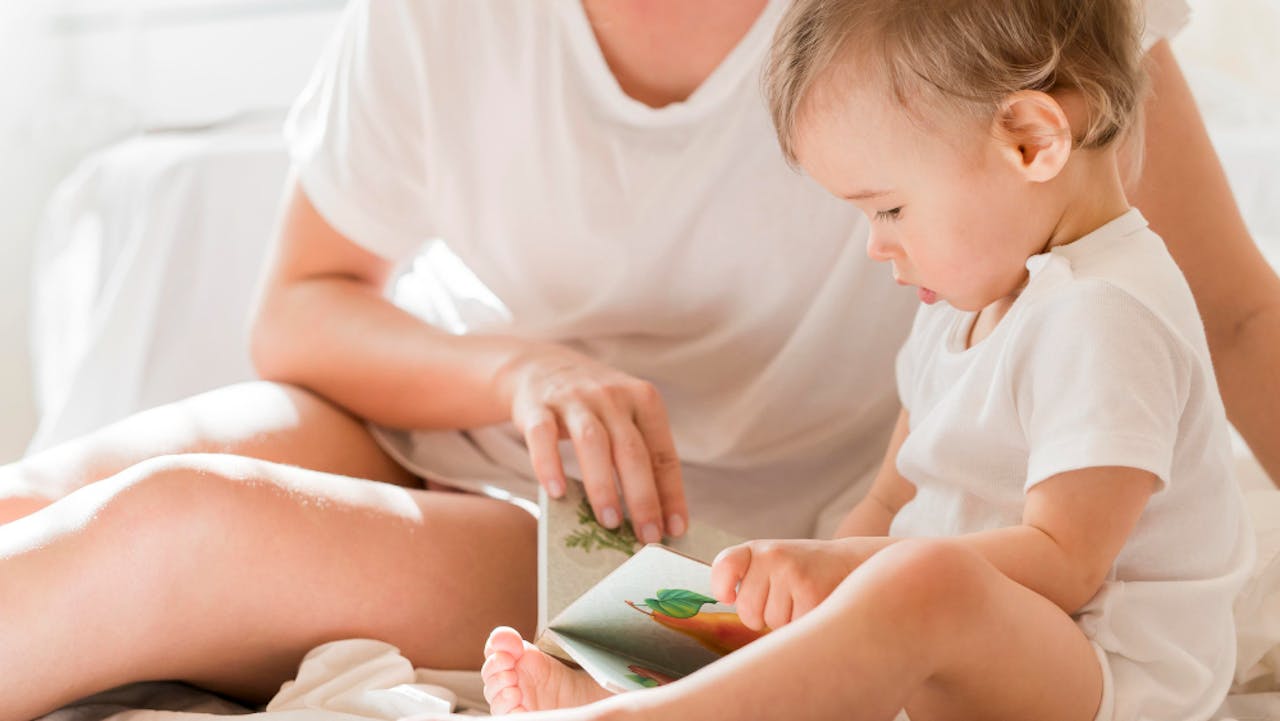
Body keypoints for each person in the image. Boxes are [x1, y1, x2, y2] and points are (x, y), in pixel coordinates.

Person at [0, 1, 1273, 719]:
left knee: (176, 527)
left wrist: (828, 562)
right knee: (46, 494)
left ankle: (625, 687)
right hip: (443, 414)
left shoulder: (978, 44)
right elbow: (303, 309)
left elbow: (1228, 324)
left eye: (880, 211)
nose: (876, 244)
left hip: (677, 541)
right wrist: (519, 375)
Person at [473, 1, 1254, 720]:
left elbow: (1064, 563)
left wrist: (849, 573)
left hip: (1106, 675)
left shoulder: (1106, 309)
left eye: (889, 207)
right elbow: (886, 502)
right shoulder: (967, 301)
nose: (877, 245)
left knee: (915, 580)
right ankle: (622, 677)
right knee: (741, 591)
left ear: (1033, 141)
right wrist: (815, 583)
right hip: (967, 642)